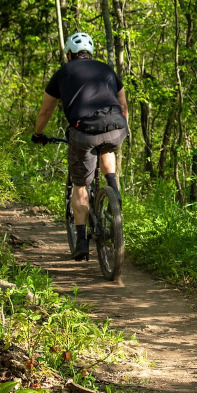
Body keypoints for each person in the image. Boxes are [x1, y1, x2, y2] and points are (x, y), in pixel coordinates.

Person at [32, 32, 129, 261]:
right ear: (90, 53)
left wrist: (38, 134)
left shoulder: (63, 72)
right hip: (116, 126)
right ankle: (113, 188)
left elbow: (45, 111)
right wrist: (122, 129)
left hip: (84, 131)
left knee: (80, 185)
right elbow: (123, 105)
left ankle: (82, 241)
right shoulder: (106, 69)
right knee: (107, 147)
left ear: (69, 54)